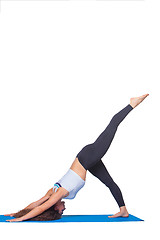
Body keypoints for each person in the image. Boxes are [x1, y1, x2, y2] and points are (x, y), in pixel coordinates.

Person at [5, 93, 149, 222]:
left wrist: (21, 218)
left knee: (112, 127)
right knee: (110, 183)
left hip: (88, 157)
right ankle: (123, 210)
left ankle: (132, 104)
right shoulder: (50, 193)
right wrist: (17, 213)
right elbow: (36, 203)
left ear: (55, 207)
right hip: (87, 161)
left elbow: (40, 208)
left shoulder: (56, 195)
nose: (64, 209)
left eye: (61, 210)